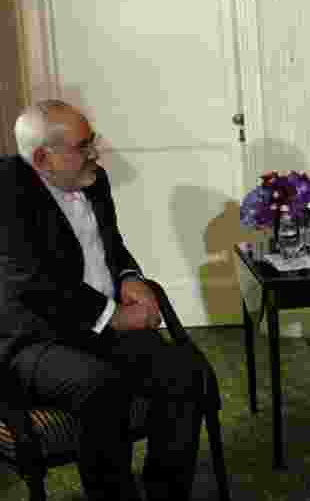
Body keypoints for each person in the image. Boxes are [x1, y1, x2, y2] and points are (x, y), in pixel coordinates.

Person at [0, 101, 206, 501]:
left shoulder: (94, 180)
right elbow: (36, 284)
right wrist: (113, 318)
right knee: (101, 387)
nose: (95, 153)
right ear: (43, 157)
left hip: (98, 326)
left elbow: (112, 246)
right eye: (84, 146)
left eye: (92, 141)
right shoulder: (6, 192)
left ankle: (167, 493)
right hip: (35, 339)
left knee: (185, 371)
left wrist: (131, 278)